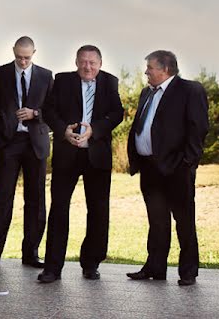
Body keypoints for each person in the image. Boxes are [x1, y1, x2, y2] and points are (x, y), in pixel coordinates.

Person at [38, 45, 124, 283]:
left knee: (98, 211)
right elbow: (49, 110)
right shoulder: (63, 80)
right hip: (67, 154)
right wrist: (62, 130)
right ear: (76, 62)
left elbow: (117, 113)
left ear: (100, 63)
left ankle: (91, 263)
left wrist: (95, 130)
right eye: (83, 62)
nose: (88, 67)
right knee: (58, 209)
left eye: (92, 63)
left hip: (97, 156)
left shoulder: (110, 82)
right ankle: (52, 268)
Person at [125, 50, 208, 287]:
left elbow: (199, 129)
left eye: (150, 68)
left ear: (165, 69)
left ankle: (188, 271)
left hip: (176, 169)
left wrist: (187, 163)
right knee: (157, 221)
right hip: (149, 168)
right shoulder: (146, 93)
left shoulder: (190, 90)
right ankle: (155, 267)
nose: (146, 72)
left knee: (184, 221)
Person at [0, 36, 53, 270]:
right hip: (8, 144)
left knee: (36, 200)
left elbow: (54, 110)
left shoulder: (46, 76)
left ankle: (31, 254)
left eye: (27, 57)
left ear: (34, 53)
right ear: (13, 51)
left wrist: (36, 114)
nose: (22, 61)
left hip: (35, 144)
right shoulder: (0, 73)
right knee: (2, 199)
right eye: (19, 56)